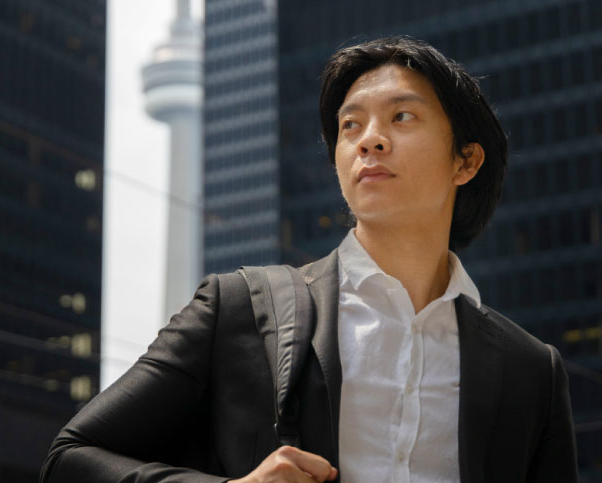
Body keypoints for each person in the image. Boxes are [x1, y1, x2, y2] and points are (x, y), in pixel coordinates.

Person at [40, 36, 578, 483]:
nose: (370, 140)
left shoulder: (530, 371)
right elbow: (70, 457)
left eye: (402, 116)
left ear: (466, 160)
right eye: (351, 126)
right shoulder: (237, 310)